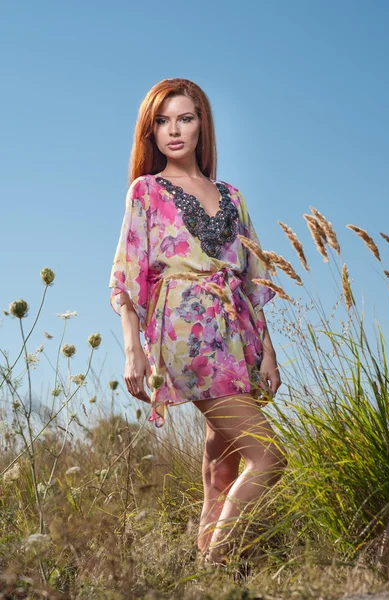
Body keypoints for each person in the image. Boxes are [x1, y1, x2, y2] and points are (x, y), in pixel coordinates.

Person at [108, 78, 287, 567]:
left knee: (221, 465)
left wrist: (267, 350)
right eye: (161, 121)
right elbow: (127, 272)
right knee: (269, 457)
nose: (173, 130)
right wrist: (132, 348)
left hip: (237, 331)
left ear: (201, 124)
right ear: (150, 132)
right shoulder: (146, 190)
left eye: (184, 118)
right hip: (185, 328)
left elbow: (253, 280)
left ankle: (202, 573)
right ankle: (218, 564)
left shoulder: (233, 195)